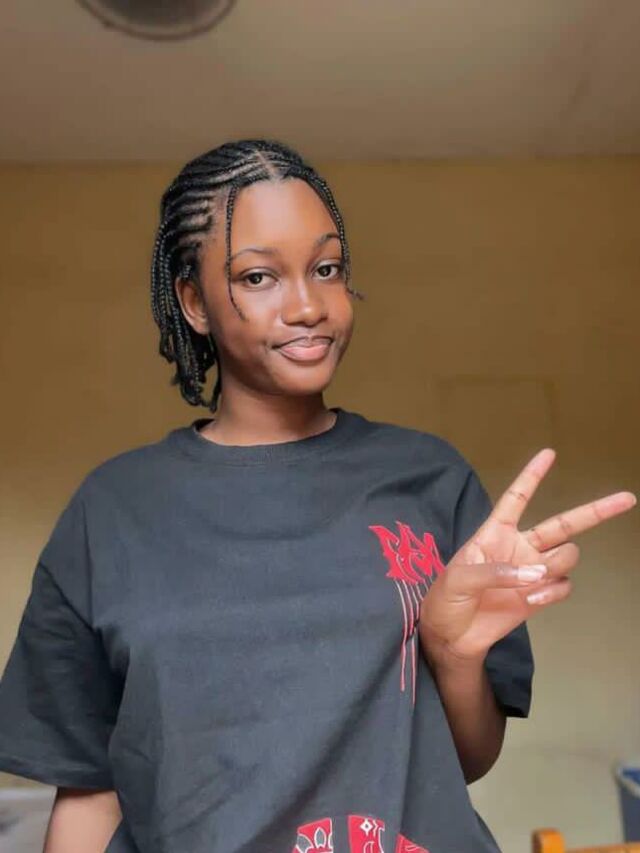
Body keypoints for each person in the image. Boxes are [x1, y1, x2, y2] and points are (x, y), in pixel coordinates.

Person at [0, 139, 635, 853]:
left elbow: (463, 760)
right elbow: (88, 791)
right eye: (259, 276)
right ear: (194, 302)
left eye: (326, 269)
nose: (307, 305)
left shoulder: (428, 478)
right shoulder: (113, 511)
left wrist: (453, 653)